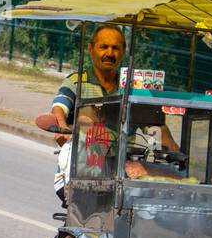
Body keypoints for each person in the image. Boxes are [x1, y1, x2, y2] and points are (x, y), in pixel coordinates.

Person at [42, 24, 180, 191]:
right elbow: (59, 107)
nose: (109, 53)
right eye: (103, 47)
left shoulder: (131, 87)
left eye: (115, 48)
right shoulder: (76, 82)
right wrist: (62, 128)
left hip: (122, 171)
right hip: (81, 169)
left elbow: (153, 126)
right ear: (91, 49)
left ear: (123, 51)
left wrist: (170, 150)